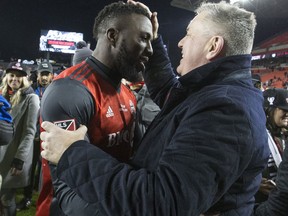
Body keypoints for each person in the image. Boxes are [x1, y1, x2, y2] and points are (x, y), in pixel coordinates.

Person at [40, 1, 270, 215]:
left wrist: (73, 153)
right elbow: (170, 92)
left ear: (213, 46)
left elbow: (161, 201)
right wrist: (155, 44)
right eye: (144, 39)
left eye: (188, 35)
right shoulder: (212, 92)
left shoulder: (226, 108)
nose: (180, 42)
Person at [36, 2, 153, 216]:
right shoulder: (70, 91)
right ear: (112, 35)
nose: (151, 50)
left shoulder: (127, 93)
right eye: (144, 38)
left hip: (112, 203)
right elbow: (69, 189)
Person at [0, 61, 39, 216]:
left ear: (24, 78)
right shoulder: (2, 94)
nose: (14, 79)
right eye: (11, 75)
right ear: (6, 76)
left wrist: (19, 159)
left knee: (6, 198)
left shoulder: (31, 98)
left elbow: (30, 131)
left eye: (18, 76)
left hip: (12, 156)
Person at [16, 60, 54, 211]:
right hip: (33, 138)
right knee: (30, 169)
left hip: (48, 138)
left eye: (46, 74)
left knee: (44, 171)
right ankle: (26, 198)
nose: (44, 77)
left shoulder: (55, 90)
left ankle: (43, 199)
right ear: (37, 75)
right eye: (42, 74)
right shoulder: (31, 91)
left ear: (51, 75)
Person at [254, 88, 288, 207]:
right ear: (269, 110)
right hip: (258, 204)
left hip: (279, 202)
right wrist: (255, 183)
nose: (287, 113)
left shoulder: (282, 135)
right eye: (284, 109)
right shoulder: (254, 135)